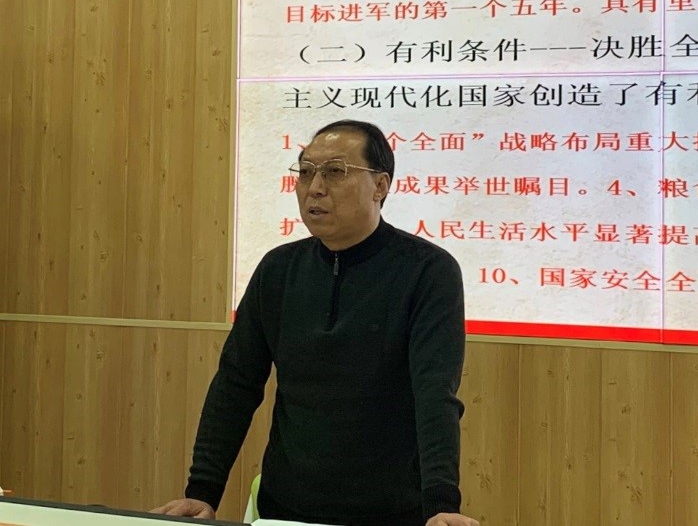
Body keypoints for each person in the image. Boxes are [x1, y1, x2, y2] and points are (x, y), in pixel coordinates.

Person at [152, 119, 478, 526]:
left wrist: (442, 503)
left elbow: (435, 394)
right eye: (305, 172)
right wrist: (202, 491)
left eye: (335, 172)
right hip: (285, 508)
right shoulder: (278, 269)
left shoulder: (427, 271)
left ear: (380, 186)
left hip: (392, 510)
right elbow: (235, 384)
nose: (315, 188)